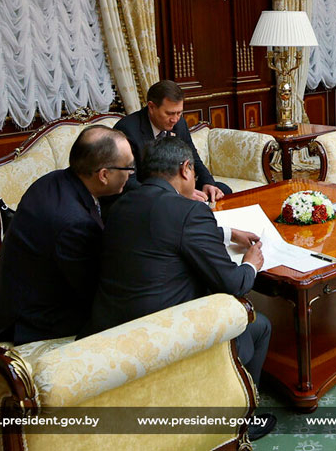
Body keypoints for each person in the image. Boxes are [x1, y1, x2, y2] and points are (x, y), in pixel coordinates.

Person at [80, 135, 275, 441]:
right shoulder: (188, 211)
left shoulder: (120, 204)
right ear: (186, 169)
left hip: (111, 324)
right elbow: (234, 283)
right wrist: (251, 263)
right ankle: (241, 421)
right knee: (258, 324)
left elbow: (163, 233)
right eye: (194, 172)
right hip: (160, 333)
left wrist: (226, 233)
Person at [0, 125, 135, 344]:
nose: (131, 173)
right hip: (31, 319)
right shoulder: (74, 223)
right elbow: (93, 288)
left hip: (17, 295)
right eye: (128, 167)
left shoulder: (53, 180)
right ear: (104, 175)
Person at [114, 79, 230, 203]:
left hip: (176, 187)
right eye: (169, 113)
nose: (175, 119)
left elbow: (193, 158)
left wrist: (207, 183)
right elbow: (128, 181)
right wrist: (175, 195)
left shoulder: (179, 124)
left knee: (221, 190)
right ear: (152, 107)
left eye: (179, 113)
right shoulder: (128, 130)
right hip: (146, 194)